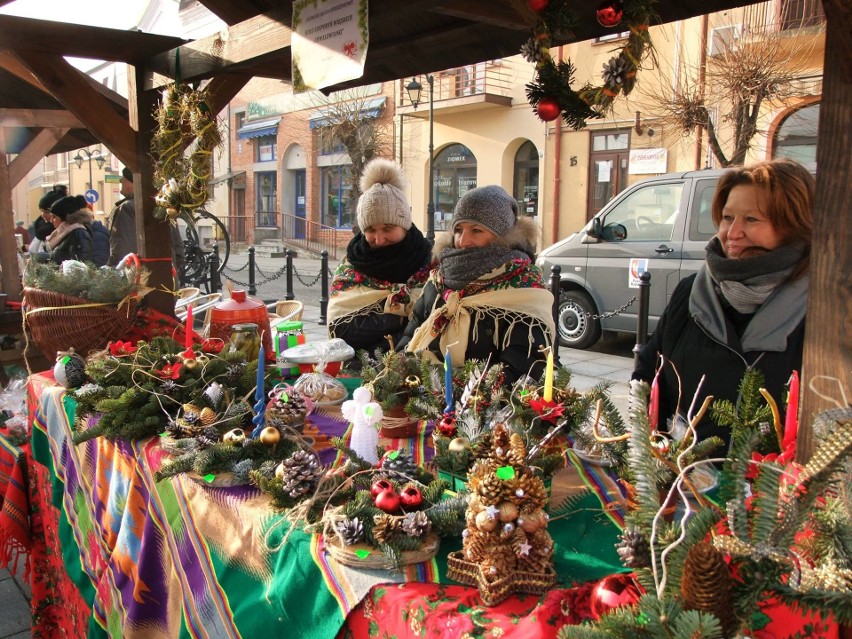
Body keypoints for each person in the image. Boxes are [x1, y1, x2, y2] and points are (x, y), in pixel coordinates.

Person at [632, 158, 814, 448]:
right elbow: (649, 373)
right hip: (682, 482)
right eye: (728, 218)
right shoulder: (691, 292)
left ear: (793, 226)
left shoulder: (818, 309)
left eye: (751, 219)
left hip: (773, 488)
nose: (733, 233)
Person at [397, 185, 555, 385]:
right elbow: (413, 332)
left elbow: (523, 363)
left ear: (502, 235)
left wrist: (462, 391)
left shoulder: (523, 285)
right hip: (421, 393)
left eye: (476, 230)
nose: (464, 241)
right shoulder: (440, 278)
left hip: (484, 405)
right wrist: (400, 370)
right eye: (458, 230)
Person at [327, 157, 433, 354]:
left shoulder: (429, 262)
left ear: (404, 224)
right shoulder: (351, 267)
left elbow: (436, 323)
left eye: (388, 228)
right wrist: (402, 316)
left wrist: (378, 325)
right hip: (359, 368)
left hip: (421, 369)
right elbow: (340, 330)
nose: (379, 238)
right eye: (370, 229)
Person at [107, 167, 184, 270]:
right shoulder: (165, 208)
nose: (121, 180)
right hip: (168, 278)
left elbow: (122, 253)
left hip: (140, 280)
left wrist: (111, 272)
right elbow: (178, 250)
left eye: (124, 177)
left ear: (134, 182)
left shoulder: (127, 208)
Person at [46, 194, 94, 264]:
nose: (51, 220)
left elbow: (78, 266)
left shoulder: (78, 234)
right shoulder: (65, 233)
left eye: (54, 217)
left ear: (64, 217)